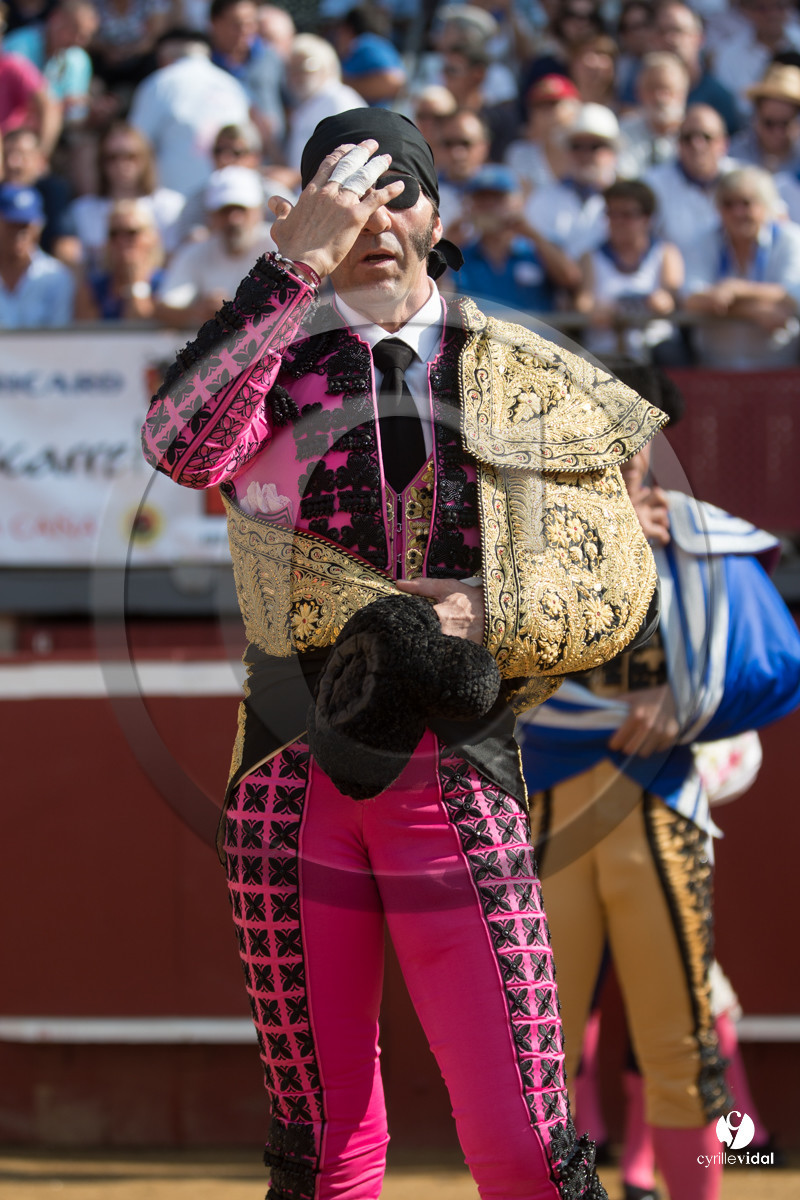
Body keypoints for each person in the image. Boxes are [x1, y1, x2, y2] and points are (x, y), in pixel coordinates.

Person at [141, 105, 665, 1200]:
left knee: (527, 1144)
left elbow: (614, 579)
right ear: (308, 213)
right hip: (288, 770)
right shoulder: (272, 359)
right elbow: (181, 449)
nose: (375, 219)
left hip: (458, 756)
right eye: (346, 196)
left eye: (398, 193)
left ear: (436, 213)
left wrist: (491, 606)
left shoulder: (528, 370)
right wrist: (289, 268)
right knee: (323, 1142)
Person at [517, 359, 800, 1200]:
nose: (619, 454)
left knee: (679, 1040)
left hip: (652, 802)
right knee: (534, 1048)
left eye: (633, 436)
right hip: (542, 811)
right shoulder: (524, 544)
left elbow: (776, 662)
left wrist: (690, 704)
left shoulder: (698, 540)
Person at [683, 164, 800, 367]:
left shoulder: (789, 239)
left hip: (778, 368)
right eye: (728, 204)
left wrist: (735, 289)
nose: (737, 212)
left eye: (746, 203)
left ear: (766, 205)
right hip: (714, 368)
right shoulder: (702, 241)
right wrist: (752, 310)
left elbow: (791, 295)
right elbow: (691, 299)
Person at [129, 26, 251, 197]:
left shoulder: (159, 83)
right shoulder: (233, 85)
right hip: (226, 198)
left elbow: (134, 143)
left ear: (164, 59)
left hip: (174, 199)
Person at [575, 179, 685, 363]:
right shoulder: (590, 257)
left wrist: (660, 302)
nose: (618, 222)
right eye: (612, 214)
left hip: (657, 353)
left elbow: (671, 298)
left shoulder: (666, 253)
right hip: (605, 355)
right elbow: (583, 302)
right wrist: (598, 310)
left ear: (647, 219)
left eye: (627, 215)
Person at [448, 162, 581, 312]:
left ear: (518, 203)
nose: (489, 206)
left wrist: (534, 236)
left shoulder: (536, 250)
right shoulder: (460, 255)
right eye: (481, 199)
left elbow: (571, 281)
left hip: (532, 327)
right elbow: (439, 294)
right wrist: (447, 246)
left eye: (498, 198)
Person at [155, 163, 274, 328]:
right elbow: (165, 306)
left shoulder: (277, 246)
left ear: (259, 212)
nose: (234, 220)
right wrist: (199, 312)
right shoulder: (196, 252)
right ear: (210, 216)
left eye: (241, 210)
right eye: (225, 211)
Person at [67, 121, 185, 265]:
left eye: (131, 156)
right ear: (101, 162)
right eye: (112, 157)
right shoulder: (83, 210)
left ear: (146, 158)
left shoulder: (171, 205)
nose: (121, 164)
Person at [525, 102, 620, 259]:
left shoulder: (631, 202)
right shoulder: (543, 200)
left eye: (595, 146)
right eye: (577, 146)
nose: (585, 154)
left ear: (613, 153)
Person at [644, 104, 738, 260]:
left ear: (723, 143)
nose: (697, 145)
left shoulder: (745, 180)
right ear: (678, 143)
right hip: (676, 274)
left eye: (706, 137)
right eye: (688, 138)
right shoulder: (652, 185)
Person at [208, 0, 285, 160]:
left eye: (250, 24)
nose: (245, 30)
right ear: (215, 23)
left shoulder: (270, 58)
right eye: (236, 24)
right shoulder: (205, 66)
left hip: (272, 160)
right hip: (224, 160)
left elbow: (290, 105)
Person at [3, 0, 98, 127]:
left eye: (84, 36)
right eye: (73, 29)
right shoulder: (18, 46)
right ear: (55, 18)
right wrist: (56, 106)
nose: (77, 40)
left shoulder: (79, 60)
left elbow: (76, 115)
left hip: (58, 129)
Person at [653, 1, 742, 135]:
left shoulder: (719, 97)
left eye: (677, 30)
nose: (669, 38)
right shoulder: (641, 87)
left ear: (699, 38)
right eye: (662, 31)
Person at [284, 33, 365, 172]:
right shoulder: (306, 103)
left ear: (326, 67)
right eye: (292, 69)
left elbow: (347, 155)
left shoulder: (338, 98)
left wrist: (293, 177)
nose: (297, 76)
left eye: (305, 68)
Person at [74, 195, 162, 319]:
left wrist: (136, 285)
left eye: (131, 232)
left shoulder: (166, 284)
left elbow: (143, 327)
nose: (121, 240)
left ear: (151, 237)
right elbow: (87, 329)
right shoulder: (92, 289)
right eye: (114, 234)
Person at [0, 180, 74, 324]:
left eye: (25, 226)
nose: (19, 233)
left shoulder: (57, 276)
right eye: (11, 224)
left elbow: (60, 333)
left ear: (38, 227)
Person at [2, 123, 73, 257]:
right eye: (6, 155)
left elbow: (66, 248)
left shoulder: (53, 192)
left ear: (41, 161)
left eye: (22, 155)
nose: (13, 163)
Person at [504, 73, 581, 195]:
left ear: (576, 107)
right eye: (539, 105)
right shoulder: (520, 155)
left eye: (553, 103)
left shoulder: (592, 150)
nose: (547, 113)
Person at [0, 0, 61, 155]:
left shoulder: (13, 66)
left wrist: (40, 155)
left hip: (10, 156)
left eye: (1, 27)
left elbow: (49, 107)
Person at [618, 51, 690, 177]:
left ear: (682, 94)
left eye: (667, 89)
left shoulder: (695, 136)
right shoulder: (622, 133)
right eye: (652, 88)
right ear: (638, 92)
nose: (659, 98)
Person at [435, 107, 490, 230]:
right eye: (448, 144)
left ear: (484, 146)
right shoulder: (425, 194)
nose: (457, 153)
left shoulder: (507, 189)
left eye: (465, 143)